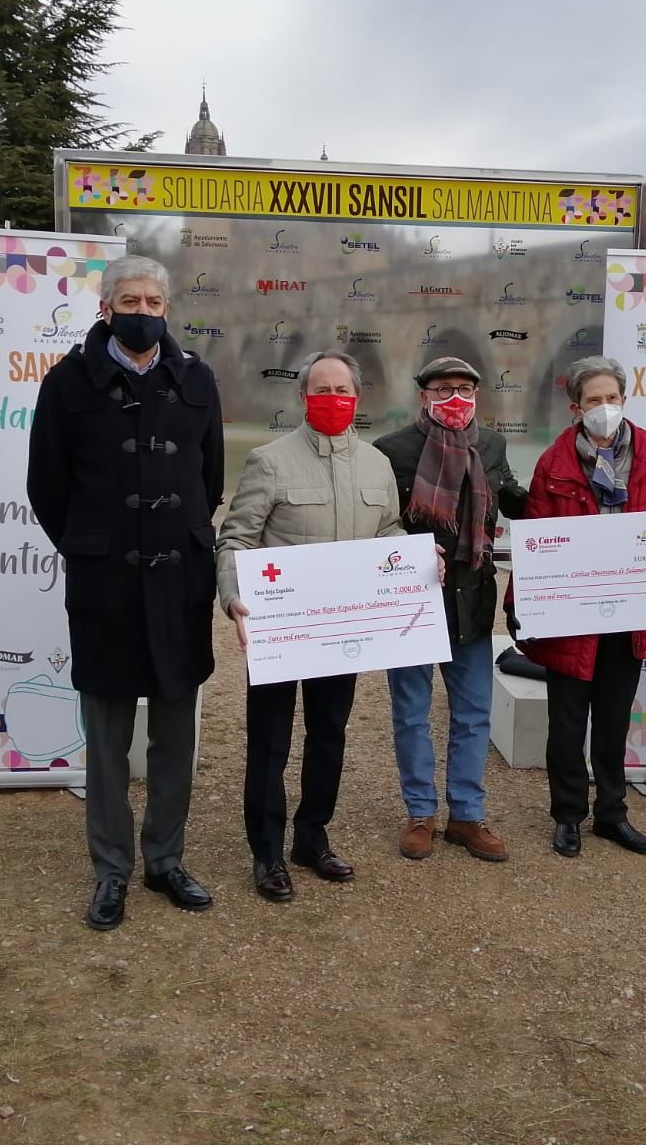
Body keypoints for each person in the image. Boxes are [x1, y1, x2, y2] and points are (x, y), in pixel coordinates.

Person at [27, 255, 225, 932]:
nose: (143, 311)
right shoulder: (67, 383)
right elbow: (46, 486)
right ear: (106, 307)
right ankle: (110, 869)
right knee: (107, 735)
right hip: (105, 584)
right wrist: (93, 543)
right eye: (130, 299)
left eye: (153, 300)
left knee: (175, 731)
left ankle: (165, 859)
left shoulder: (197, 379)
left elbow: (210, 478)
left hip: (179, 583)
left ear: (166, 308)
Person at [217, 350, 404, 902]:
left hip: (342, 631)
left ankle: (312, 836)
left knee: (329, 736)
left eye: (341, 389)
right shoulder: (270, 461)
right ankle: (267, 852)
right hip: (281, 632)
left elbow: (389, 529)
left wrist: (421, 560)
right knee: (270, 742)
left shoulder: (376, 464)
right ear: (303, 398)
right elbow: (236, 539)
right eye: (320, 390)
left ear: (358, 396)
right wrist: (233, 597)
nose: (332, 399)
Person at [506, 356, 646, 859]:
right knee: (566, 725)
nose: (604, 408)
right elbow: (534, 538)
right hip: (571, 616)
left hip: (629, 616)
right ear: (575, 407)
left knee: (613, 722)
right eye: (594, 400)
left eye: (612, 398)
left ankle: (612, 814)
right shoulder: (553, 464)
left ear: (624, 400)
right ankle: (567, 816)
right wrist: (525, 606)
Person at [374, 357, 527, 862]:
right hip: (411, 601)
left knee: (473, 714)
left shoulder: (492, 445)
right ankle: (421, 811)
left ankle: (467, 814)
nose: (455, 398)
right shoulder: (392, 451)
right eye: (443, 389)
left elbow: (513, 503)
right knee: (412, 713)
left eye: (464, 389)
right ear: (423, 395)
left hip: (472, 599)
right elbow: (376, 525)